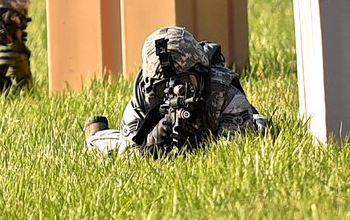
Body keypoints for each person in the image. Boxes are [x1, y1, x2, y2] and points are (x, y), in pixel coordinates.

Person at [85, 26, 268, 154]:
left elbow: (234, 152)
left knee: (260, 128)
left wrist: (200, 145)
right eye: (163, 88)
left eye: (186, 82)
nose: (177, 93)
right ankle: (96, 135)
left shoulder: (223, 94)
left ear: (202, 74)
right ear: (151, 87)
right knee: (116, 147)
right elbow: (128, 154)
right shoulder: (143, 99)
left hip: (216, 124)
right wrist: (150, 144)